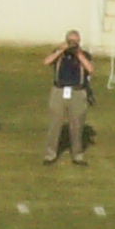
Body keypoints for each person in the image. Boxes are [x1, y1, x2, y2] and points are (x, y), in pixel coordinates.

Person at [41, 30, 92, 165]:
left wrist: (78, 54)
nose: (73, 44)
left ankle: (77, 155)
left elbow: (90, 69)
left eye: (76, 41)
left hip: (77, 91)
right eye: (71, 41)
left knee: (77, 124)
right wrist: (60, 50)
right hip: (59, 90)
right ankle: (50, 154)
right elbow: (46, 62)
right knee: (55, 123)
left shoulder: (84, 54)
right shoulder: (60, 54)